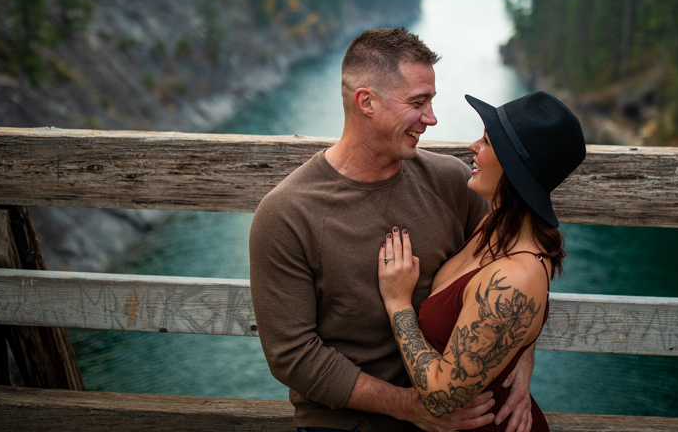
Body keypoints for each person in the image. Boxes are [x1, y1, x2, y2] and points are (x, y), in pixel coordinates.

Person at [249, 28, 536, 432]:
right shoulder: (286, 214)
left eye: (431, 101)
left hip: (459, 413)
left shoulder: (453, 182)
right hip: (344, 423)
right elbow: (292, 355)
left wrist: (520, 364)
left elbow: (521, 268)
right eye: (418, 103)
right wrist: (410, 407)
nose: (432, 118)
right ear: (366, 101)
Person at [378, 91, 587, 432]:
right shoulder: (496, 224)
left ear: (514, 167)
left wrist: (398, 303)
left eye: (488, 142)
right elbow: (513, 318)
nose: (473, 146)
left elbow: (440, 399)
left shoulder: (516, 276)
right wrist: (519, 352)